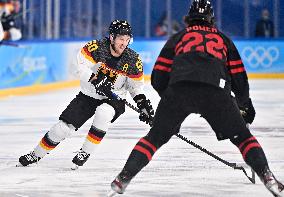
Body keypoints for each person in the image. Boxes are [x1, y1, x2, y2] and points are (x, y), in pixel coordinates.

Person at [109, 1, 284, 197]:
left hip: (179, 91)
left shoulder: (178, 38)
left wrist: (169, 105)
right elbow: (239, 77)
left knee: (154, 139)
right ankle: (268, 177)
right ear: (211, 18)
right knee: (243, 138)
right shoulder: (223, 39)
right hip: (216, 92)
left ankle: (122, 179)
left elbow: (158, 76)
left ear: (189, 18)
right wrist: (244, 105)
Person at [17, 19, 154, 170]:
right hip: (89, 95)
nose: (124, 43)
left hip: (114, 98)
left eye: (127, 39)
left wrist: (142, 103)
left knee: (104, 113)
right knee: (62, 128)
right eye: (121, 38)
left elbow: (135, 87)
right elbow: (76, 66)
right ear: (112, 37)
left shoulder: (133, 59)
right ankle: (36, 154)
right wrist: (95, 79)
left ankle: (85, 152)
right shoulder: (96, 48)